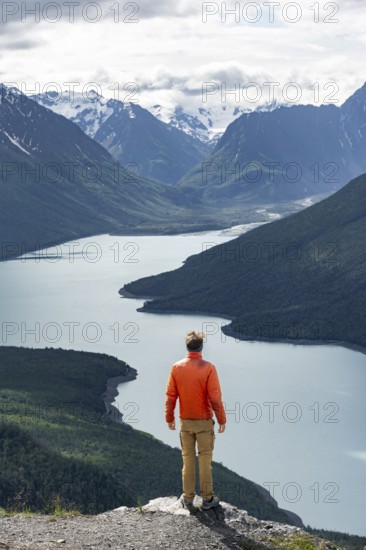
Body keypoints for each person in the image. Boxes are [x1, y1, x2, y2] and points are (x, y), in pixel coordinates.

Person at [165, 330, 226, 510]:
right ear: (201, 347)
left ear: (187, 346)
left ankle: (188, 499)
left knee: (188, 461)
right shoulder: (209, 368)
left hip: (185, 422)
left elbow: (170, 396)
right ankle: (207, 500)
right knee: (205, 461)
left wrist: (169, 417)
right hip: (204, 422)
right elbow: (215, 398)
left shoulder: (176, 367)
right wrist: (222, 419)